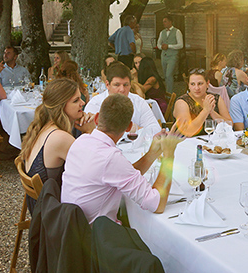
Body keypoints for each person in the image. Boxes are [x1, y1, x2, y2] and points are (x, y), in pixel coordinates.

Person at [62, 93, 182, 224]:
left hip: (70, 228)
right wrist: (169, 155)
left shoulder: (81, 141)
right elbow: (157, 204)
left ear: (96, 119)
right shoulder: (110, 158)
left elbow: (123, 174)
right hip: (94, 238)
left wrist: (152, 153)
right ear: (129, 127)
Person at [20, 78, 95, 214]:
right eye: (76, 100)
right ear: (61, 106)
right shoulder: (59, 137)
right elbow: (95, 168)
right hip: (53, 214)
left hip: (41, 204)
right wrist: (91, 131)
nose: (83, 103)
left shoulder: (44, 126)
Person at [85, 63, 161, 135]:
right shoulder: (96, 103)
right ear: (107, 85)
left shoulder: (139, 102)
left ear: (130, 85)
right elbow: (91, 131)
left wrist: (136, 128)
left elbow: (155, 130)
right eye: (117, 85)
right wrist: (129, 129)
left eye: (125, 85)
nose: (122, 89)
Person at [174, 69, 233, 137]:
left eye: (200, 84)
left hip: (215, 142)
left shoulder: (216, 98)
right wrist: (205, 111)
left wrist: (212, 112)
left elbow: (230, 125)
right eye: (192, 84)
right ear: (188, 85)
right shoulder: (182, 102)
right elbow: (187, 131)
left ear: (207, 84)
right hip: (189, 143)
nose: (196, 88)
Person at [157, 14, 183, 94]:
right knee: (165, 75)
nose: (164, 23)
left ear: (170, 22)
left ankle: (170, 92)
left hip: (173, 56)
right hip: (164, 55)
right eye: (163, 22)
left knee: (169, 74)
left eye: (165, 21)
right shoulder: (162, 32)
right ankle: (166, 91)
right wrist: (162, 47)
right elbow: (158, 44)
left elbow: (180, 45)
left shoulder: (177, 32)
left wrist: (169, 46)